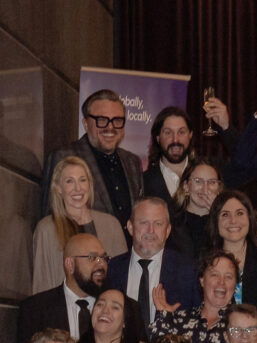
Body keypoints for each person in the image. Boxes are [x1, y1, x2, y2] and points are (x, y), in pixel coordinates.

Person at [30, 150, 128, 285]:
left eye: (82, 180)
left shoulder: (111, 225)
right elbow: (41, 282)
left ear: (90, 184)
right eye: (69, 181)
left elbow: (123, 278)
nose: (78, 188)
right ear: (58, 188)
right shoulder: (46, 229)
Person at [55, 87, 146, 231]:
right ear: (85, 124)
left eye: (117, 120)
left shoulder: (132, 162)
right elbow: (52, 215)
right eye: (102, 120)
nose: (110, 127)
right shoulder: (65, 157)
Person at [107, 195, 199, 316]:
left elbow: (199, 320)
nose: (151, 230)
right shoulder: (111, 269)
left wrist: (171, 320)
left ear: (167, 231)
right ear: (130, 227)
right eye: (144, 223)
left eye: (158, 224)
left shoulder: (188, 271)